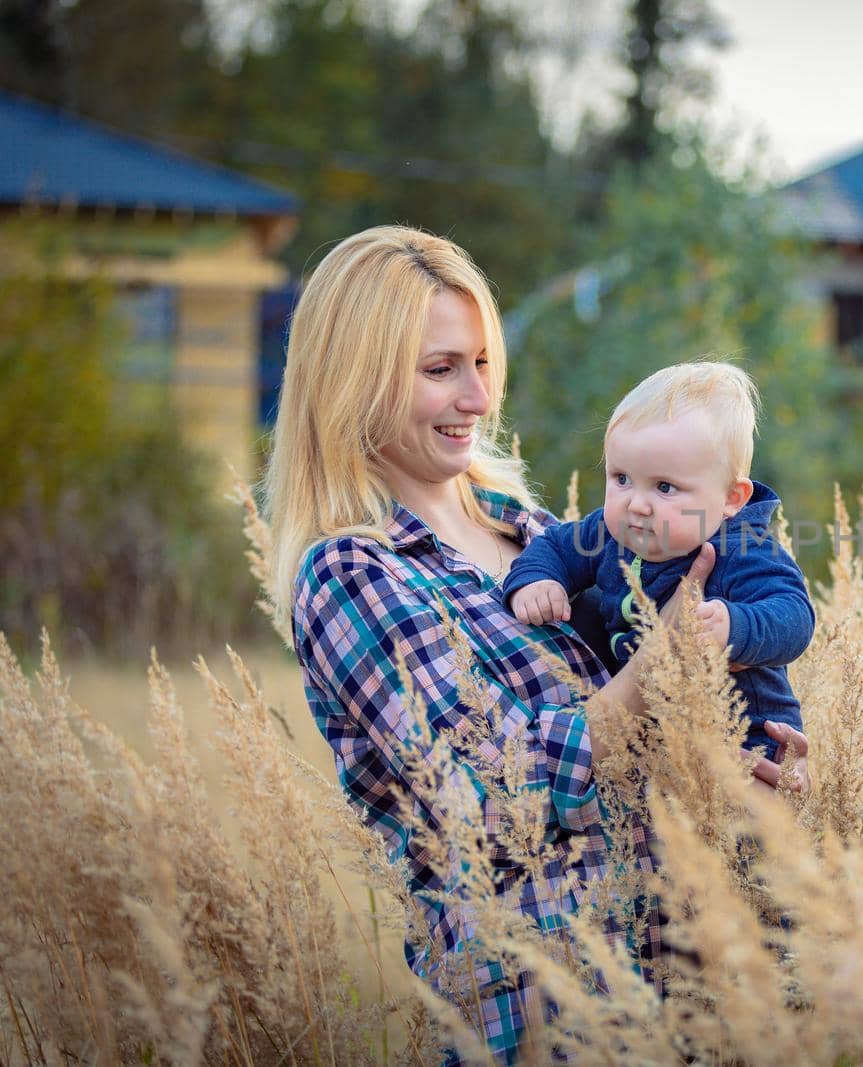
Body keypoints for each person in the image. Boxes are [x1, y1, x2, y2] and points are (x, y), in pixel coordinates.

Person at [262, 225, 807, 1061]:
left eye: (481, 363)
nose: (477, 398)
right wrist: (662, 663)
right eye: (440, 369)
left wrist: (738, 773)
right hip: (546, 1008)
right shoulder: (353, 571)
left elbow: (648, 754)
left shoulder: (539, 534)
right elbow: (491, 796)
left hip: (681, 984)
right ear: (354, 383)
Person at [503, 361, 813, 761]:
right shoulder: (610, 533)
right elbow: (556, 548)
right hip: (656, 740)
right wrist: (538, 580)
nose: (636, 504)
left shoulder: (745, 550)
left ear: (731, 499)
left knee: (740, 816)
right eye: (621, 479)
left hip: (745, 735)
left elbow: (795, 616)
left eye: (664, 487)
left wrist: (735, 625)